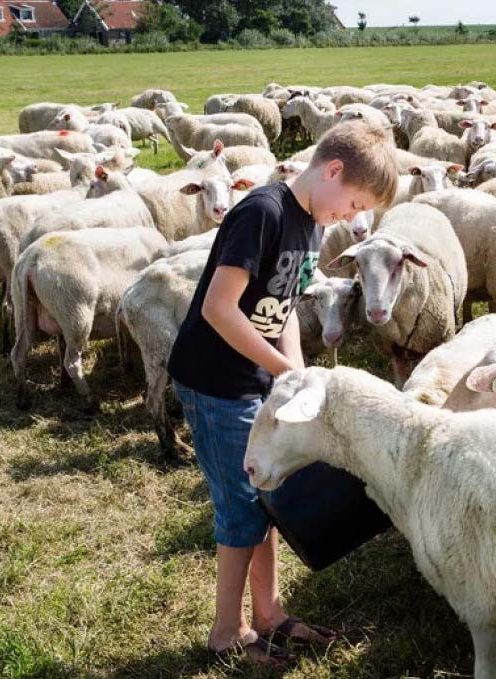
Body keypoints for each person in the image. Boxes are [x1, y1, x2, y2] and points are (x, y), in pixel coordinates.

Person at [167, 121, 399, 666]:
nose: (352, 216)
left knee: (267, 493)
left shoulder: (313, 223)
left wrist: (294, 371)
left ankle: (268, 613)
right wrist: (279, 368)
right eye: (353, 203)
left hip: (256, 378)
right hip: (215, 382)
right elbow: (218, 308)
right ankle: (227, 633)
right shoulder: (263, 214)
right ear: (332, 171)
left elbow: (286, 307)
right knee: (240, 507)